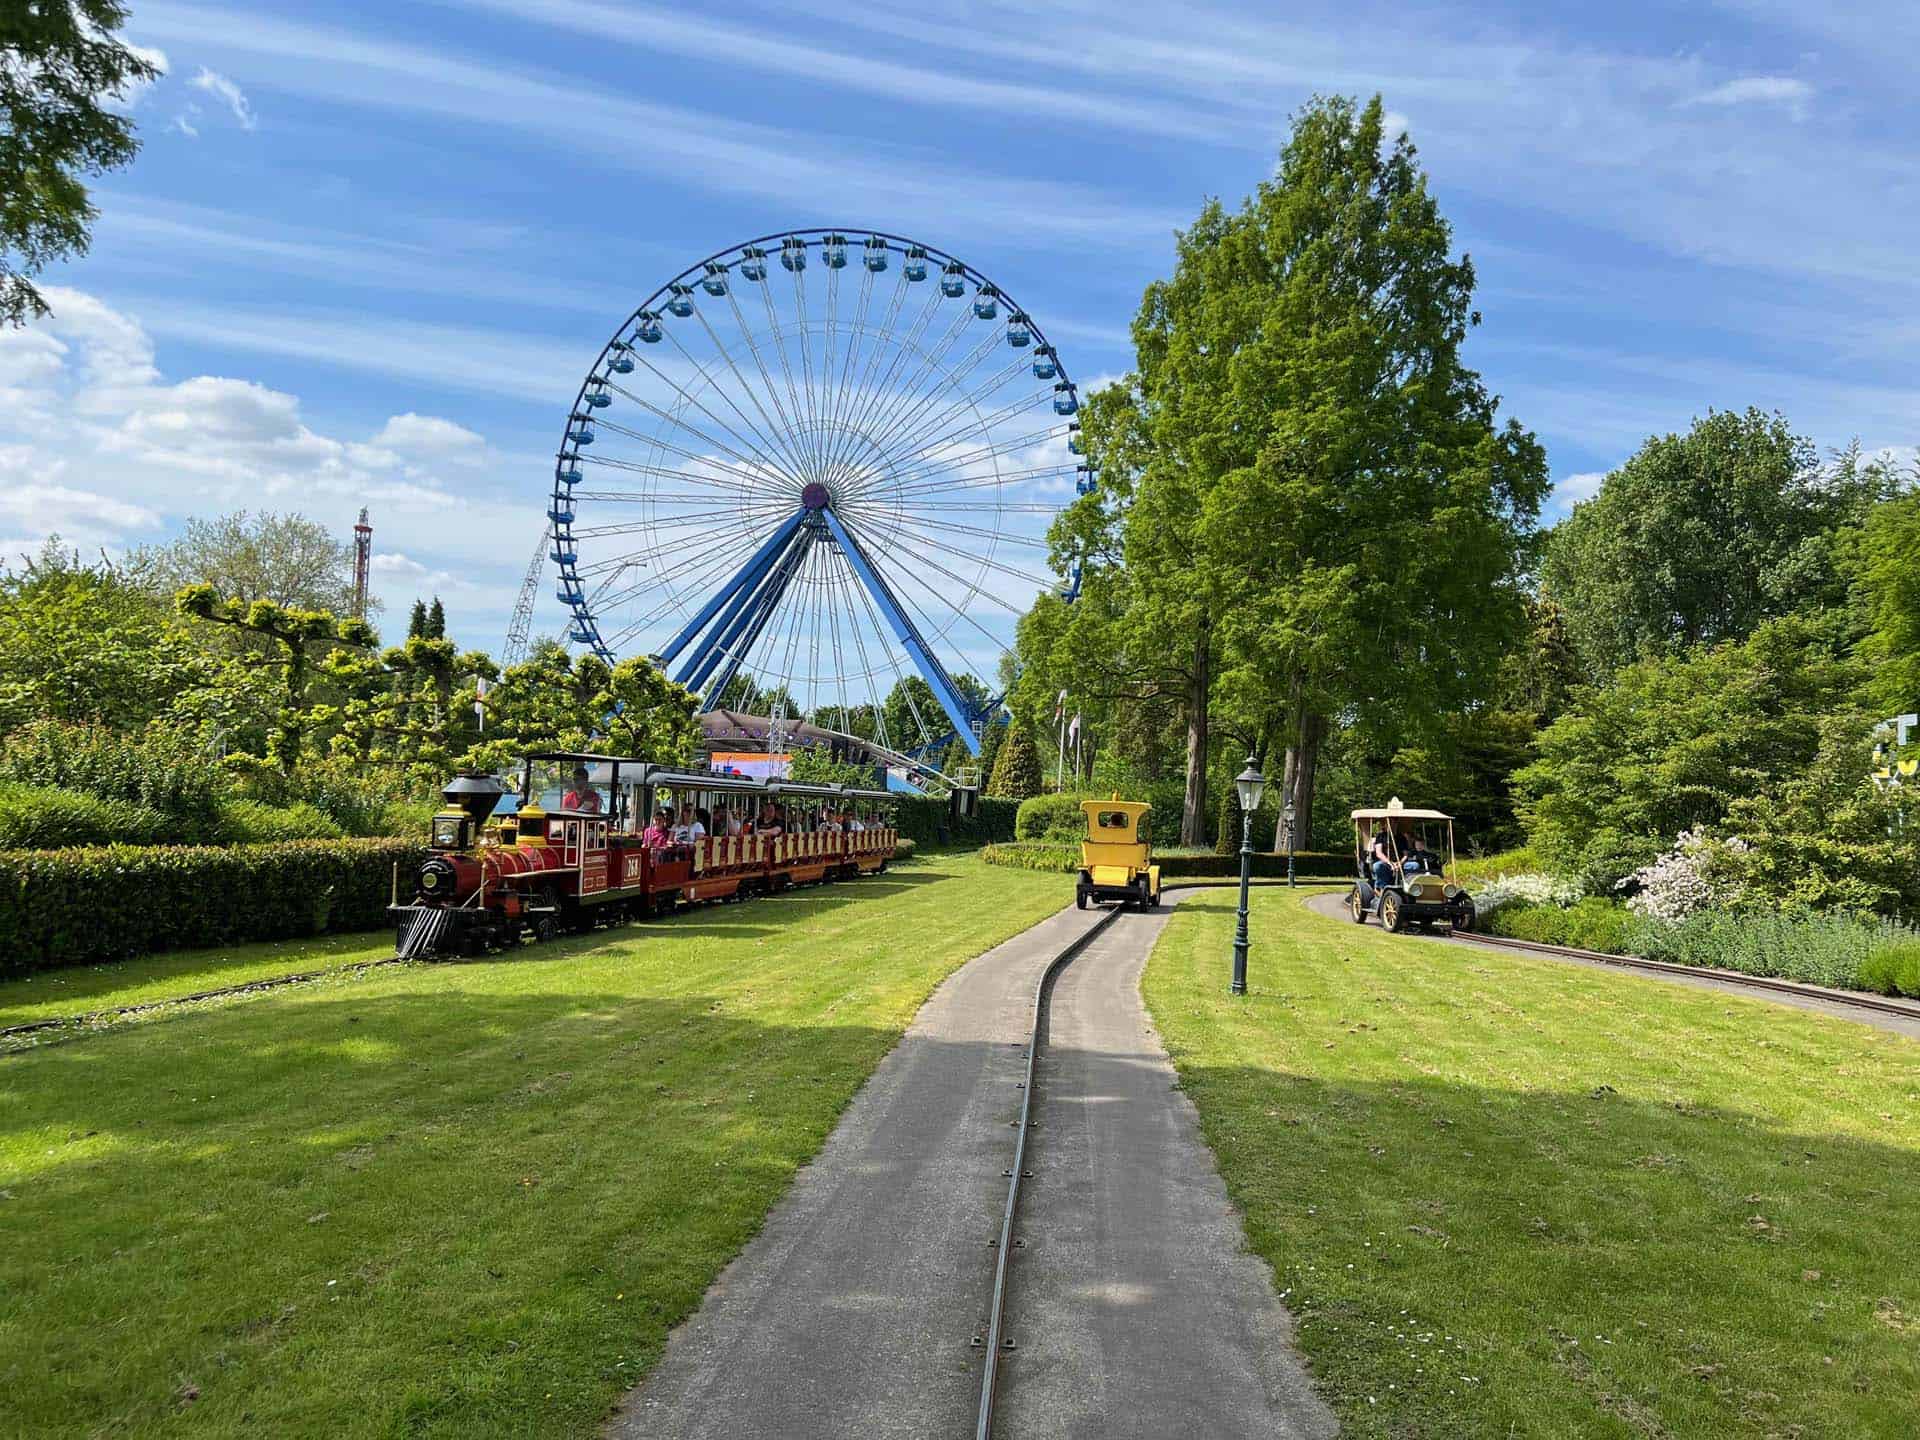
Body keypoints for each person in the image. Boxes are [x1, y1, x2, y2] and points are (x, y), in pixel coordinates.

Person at [1367, 825, 1395, 890]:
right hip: (1382, 861)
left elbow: (1406, 853)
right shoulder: (1379, 837)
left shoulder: (1400, 837)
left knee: (1414, 865)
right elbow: (1378, 853)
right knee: (1378, 865)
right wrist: (1390, 863)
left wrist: (1399, 863)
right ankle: (1380, 888)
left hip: (1397, 861)